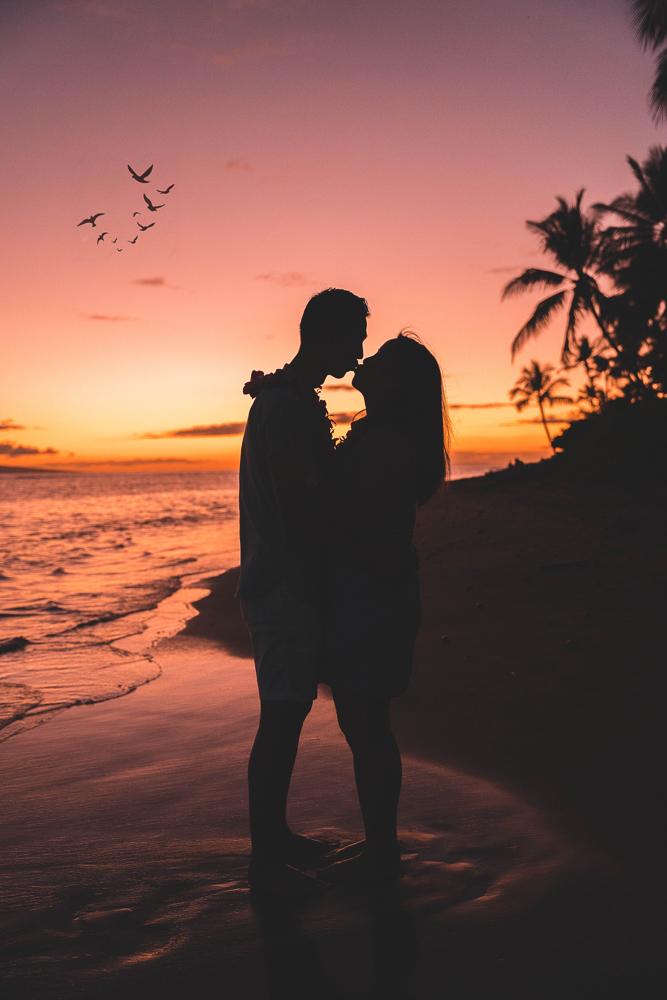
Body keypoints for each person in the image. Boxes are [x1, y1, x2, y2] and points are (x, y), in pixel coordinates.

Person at [238, 288, 369, 895]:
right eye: (356, 336)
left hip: (284, 581)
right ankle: (268, 844)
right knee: (283, 715)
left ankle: (272, 838)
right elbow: (297, 508)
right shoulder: (286, 408)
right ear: (328, 336)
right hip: (285, 585)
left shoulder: (288, 399)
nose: (361, 349)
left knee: (285, 713)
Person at [322, 332, 449, 885]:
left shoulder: (379, 442)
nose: (364, 360)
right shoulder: (391, 439)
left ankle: (382, 849)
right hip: (384, 591)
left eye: (377, 360)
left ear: (394, 383)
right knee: (367, 723)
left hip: (370, 595)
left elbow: (344, 513)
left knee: (366, 723)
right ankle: (381, 843)